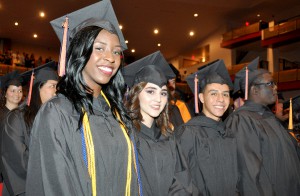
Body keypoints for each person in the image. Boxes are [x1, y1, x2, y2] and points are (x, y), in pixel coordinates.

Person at [25, 1, 140, 195]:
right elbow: (56, 186)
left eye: (116, 51)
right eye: (99, 48)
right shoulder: (57, 112)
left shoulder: (117, 114)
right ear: (81, 50)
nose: (110, 58)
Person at [123, 51, 195, 195]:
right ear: (136, 93)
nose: (158, 99)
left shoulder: (168, 137)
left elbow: (181, 182)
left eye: (163, 93)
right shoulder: (125, 136)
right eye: (150, 91)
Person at [225, 57, 300, 196]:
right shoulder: (242, 121)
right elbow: (249, 175)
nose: (276, 87)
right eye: (270, 84)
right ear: (254, 90)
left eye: (275, 83)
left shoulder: (269, 117)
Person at [175, 59, 239, 195]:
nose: (221, 99)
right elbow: (180, 184)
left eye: (225, 94)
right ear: (201, 97)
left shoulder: (229, 134)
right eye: (214, 93)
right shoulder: (188, 133)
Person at [1, 63, 58, 196]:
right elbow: (18, 162)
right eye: (52, 86)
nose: (56, 91)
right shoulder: (16, 118)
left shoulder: (53, 117)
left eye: (57, 86)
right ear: (38, 87)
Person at [0, 71, 23, 186]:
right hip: (3, 170)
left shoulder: (25, 115)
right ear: (5, 94)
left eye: (19, 91)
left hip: (21, 167)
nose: (17, 94)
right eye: (12, 90)